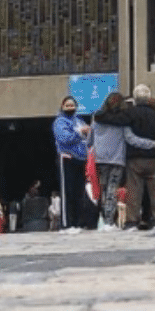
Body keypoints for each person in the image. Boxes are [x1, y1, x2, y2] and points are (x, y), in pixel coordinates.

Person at [122, 84, 155, 231]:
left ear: (135, 98)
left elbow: (126, 136)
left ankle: (131, 221)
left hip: (134, 158)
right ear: (149, 98)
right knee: (154, 190)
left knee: (134, 190)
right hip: (153, 159)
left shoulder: (129, 114)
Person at [90, 92, 131, 231]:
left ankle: (102, 219)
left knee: (103, 188)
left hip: (100, 158)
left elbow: (90, 138)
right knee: (112, 190)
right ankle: (108, 221)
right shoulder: (123, 120)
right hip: (117, 158)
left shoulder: (96, 118)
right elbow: (129, 138)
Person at [52, 95, 91, 230]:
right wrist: (80, 133)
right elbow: (64, 138)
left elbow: (89, 135)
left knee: (79, 192)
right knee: (67, 192)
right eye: (67, 105)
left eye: (72, 105)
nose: (70, 107)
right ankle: (66, 224)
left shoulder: (79, 120)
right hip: (67, 159)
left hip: (81, 160)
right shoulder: (59, 122)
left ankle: (78, 222)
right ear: (62, 107)